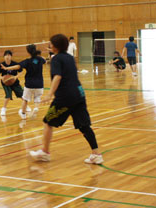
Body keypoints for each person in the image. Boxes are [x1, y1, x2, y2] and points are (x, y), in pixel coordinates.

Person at [30, 34, 103, 165]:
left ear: (56, 46)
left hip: (65, 97)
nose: (49, 45)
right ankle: (96, 154)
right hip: (79, 95)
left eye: (51, 43)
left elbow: (57, 77)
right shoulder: (69, 57)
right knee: (84, 126)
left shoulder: (56, 59)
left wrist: (49, 94)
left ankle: (45, 152)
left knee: (48, 122)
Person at [2, 44, 45, 119]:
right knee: (37, 97)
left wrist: (6, 68)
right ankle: (36, 107)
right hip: (39, 84)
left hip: (29, 84)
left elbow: (17, 67)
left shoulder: (27, 61)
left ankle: (23, 114)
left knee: (25, 99)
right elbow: (44, 60)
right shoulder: (40, 59)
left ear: (28, 52)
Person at [0, 50, 24, 117]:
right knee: (8, 96)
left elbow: (21, 71)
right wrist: (2, 78)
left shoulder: (15, 64)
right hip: (5, 83)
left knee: (21, 95)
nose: (7, 57)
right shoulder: (1, 65)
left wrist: (16, 77)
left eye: (9, 55)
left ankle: (25, 106)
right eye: (6, 55)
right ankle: (3, 109)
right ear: (4, 56)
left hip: (15, 82)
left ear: (11, 56)